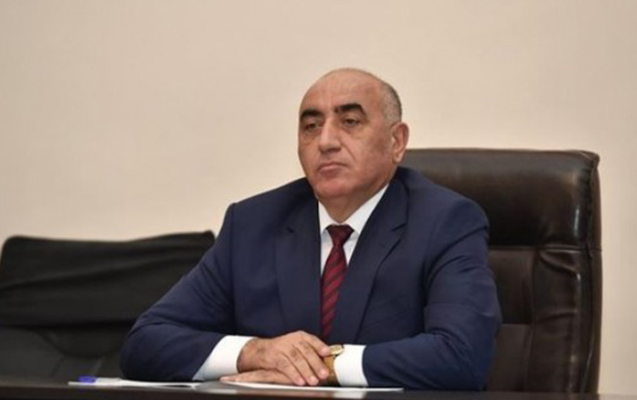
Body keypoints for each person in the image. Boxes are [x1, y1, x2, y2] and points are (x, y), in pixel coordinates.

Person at [120, 68, 501, 390]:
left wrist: (322, 366)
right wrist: (255, 352)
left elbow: (463, 355)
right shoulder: (253, 223)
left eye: (350, 122)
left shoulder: (445, 221)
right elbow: (146, 343)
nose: (326, 141)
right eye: (311, 126)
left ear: (396, 141)